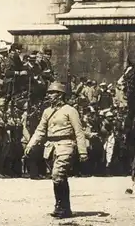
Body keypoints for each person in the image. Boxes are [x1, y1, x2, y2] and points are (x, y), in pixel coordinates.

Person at [24, 82, 88, 218]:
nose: (49, 95)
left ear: (60, 95)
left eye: (52, 93)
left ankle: (62, 206)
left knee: (57, 175)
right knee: (58, 178)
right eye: (49, 93)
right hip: (51, 147)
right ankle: (63, 206)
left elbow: (79, 131)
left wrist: (83, 151)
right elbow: (40, 130)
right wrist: (31, 144)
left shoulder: (70, 110)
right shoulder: (47, 111)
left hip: (66, 145)